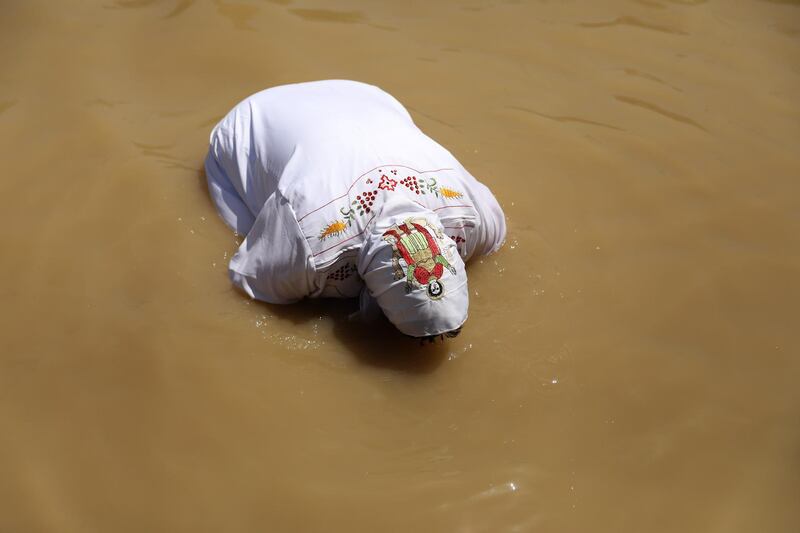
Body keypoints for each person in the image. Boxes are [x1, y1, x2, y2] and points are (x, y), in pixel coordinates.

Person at [205, 80, 505, 339]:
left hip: (368, 97)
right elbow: (249, 279)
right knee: (255, 235)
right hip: (250, 123)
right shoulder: (314, 245)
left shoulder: (473, 218)